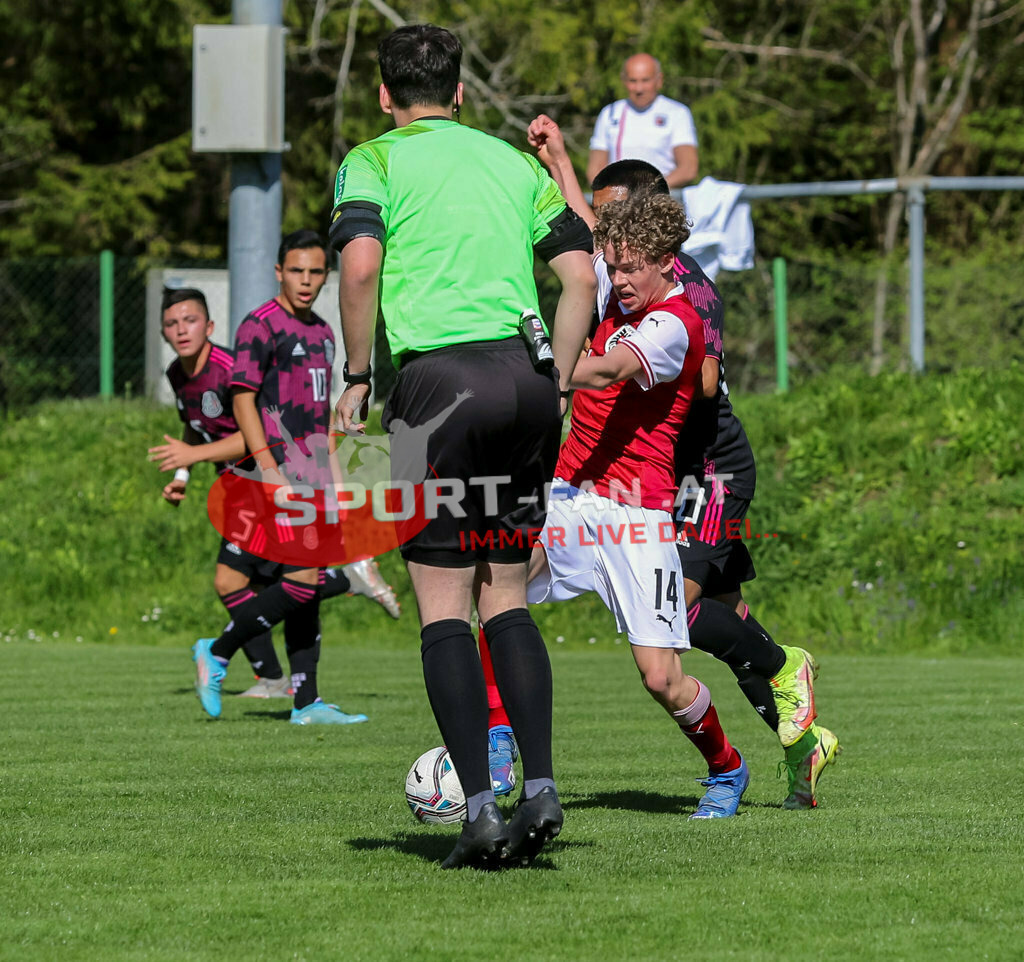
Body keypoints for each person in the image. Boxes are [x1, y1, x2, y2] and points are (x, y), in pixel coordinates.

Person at [330, 24, 596, 869]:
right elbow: (582, 273)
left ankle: (480, 811)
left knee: (443, 603)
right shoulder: (512, 164)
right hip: (524, 381)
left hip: (433, 390)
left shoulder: (373, 161)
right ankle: (542, 788)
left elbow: (362, 267)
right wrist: (554, 376)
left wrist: (358, 375)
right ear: (461, 94)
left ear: (383, 95)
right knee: (507, 595)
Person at [528, 117, 840, 808]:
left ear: (650, 236)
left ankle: (783, 667)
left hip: (705, 464)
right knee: (507, 589)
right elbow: (585, 233)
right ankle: (799, 744)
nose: (605, 257)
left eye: (615, 239)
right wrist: (558, 162)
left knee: (684, 625)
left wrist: (575, 371)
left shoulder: (685, 303)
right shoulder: (620, 273)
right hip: (609, 481)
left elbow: (687, 386)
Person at [526, 190, 749, 818]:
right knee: (500, 581)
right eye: (612, 266)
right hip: (571, 496)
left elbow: (604, 371)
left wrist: (539, 368)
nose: (618, 280)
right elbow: (574, 255)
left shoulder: (676, 324)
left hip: (637, 515)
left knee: (662, 678)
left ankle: (726, 767)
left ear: (666, 262)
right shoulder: (611, 289)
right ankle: (495, 746)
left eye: (631, 269)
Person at [151, 288, 401, 696]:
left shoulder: (229, 367)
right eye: (172, 324)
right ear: (163, 333)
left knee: (270, 581)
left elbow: (252, 436)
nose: (181, 330)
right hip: (240, 491)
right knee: (246, 583)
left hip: (272, 482)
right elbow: (192, 428)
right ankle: (279, 674)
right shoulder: (177, 375)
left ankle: (248, 662)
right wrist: (182, 475)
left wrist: (194, 455)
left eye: (190, 320)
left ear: (210, 326)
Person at [190, 231, 383, 725]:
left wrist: (337, 486)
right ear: (279, 271)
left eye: (316, 272)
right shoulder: (259, 325)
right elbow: (242, 400)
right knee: (301, 582)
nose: (306, 281)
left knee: (306, 584)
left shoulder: (322, 332)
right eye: (296, 271)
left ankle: (306, 702)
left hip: (313, 477)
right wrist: (270, 469)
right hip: (271, 476)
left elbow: (320, 423)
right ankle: (218, 650)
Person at [586, 53, 698, 189]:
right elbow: (594, 169)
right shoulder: (609, 113)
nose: (639, 89)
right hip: (618, 202)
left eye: (645, 80)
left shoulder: (677, 113)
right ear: (624, 81)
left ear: (659, 80)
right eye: (633, 81)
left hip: (662, 199)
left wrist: (651, 189)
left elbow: (688, 168)